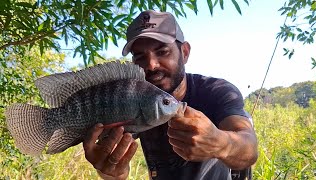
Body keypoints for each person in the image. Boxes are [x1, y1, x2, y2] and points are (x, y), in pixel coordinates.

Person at [83, 10, 258, 180]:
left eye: (162, 52)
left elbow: (249, 147)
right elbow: (115, 168)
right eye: (140, 56)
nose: (151, 65)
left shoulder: (216, 91)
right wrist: (112, 171)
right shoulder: (132, 98)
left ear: (185, 52)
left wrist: (220, 143)